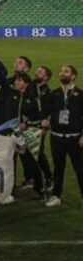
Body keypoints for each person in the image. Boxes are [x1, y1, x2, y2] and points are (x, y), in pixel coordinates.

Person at [43, 65, 83, 207]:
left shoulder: (80, 95)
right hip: (57, 137)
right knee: (58, 168)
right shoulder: (54, 94)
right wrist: (46, 120)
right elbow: (48, 112)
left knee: (80, 169)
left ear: (73, 76)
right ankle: (56, 196)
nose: (62, 73)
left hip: (74, 138)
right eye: (61, 71)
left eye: (66, 71)